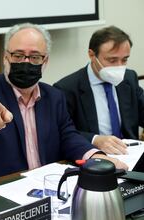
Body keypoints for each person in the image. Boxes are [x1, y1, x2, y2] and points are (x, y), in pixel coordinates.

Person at [0, 23, 127, 189]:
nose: (26, 62)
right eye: (18, 55)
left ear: (45, 62)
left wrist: (95, 157)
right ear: (6, 57)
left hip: (40, 190)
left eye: (35, 57)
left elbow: (68, 136)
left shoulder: (54, 96)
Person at [54, 26, 144, 155]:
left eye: (124, 59)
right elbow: (63, 133)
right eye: (112, 60)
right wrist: (95, 140)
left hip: (130, 153)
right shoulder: (67, 88)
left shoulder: (129, 78)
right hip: (95, 157)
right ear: (92, 55)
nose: (119, 66)